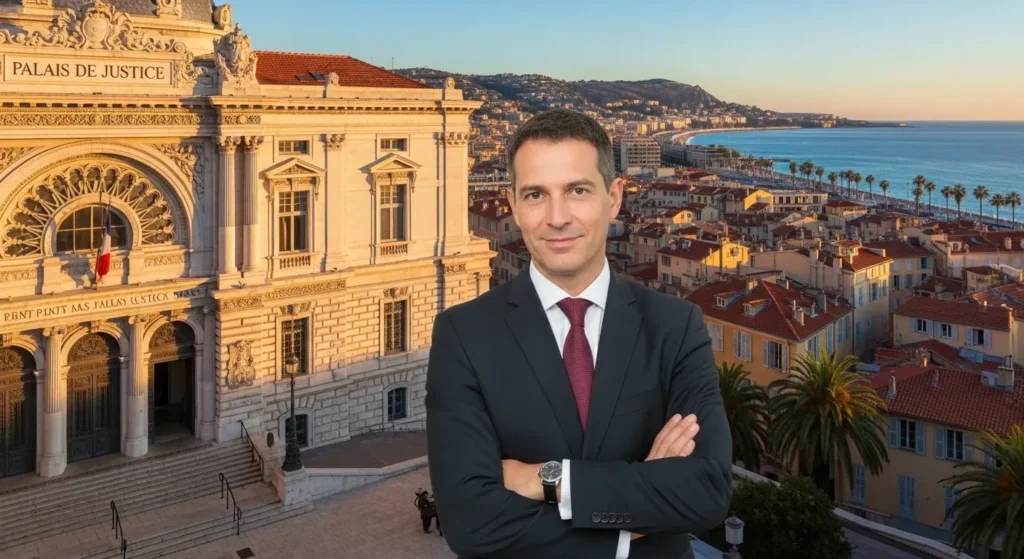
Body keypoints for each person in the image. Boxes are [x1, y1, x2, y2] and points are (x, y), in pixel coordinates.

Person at [426, 109, 732, 559]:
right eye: (535, 195)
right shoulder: (462, 334)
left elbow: (706, 492)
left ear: (613, 198)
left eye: (577, 191)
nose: (557, 217)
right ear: (513, 205)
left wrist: (547, 480)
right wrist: (638, 512)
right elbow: (470, 522)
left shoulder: (674, 326)